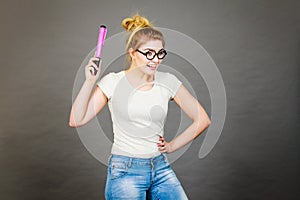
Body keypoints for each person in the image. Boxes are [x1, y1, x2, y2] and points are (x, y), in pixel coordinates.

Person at [69, 14, 211, 200]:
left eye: (160, 53)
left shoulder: (168, 81)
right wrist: (90, 81)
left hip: (160, 168)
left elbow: (203, 120)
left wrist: (171, 146)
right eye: (149, 53)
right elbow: (76, 120)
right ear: (132, 53)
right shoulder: (113, 82)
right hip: (125, 171)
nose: (156, 60)